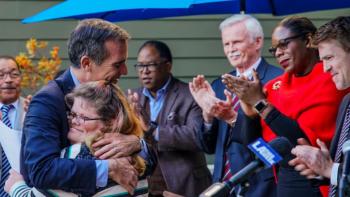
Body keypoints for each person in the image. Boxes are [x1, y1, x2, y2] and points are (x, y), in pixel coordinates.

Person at [222, 16, 349, 197]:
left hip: (318, 186)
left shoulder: (332, 79)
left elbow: (302, 142)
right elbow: (257, 148)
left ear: (307, 40)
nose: (279, 53)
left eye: (284, 44)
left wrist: (260, 104)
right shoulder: (275, 85)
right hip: (282, 183)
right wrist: (248, 109)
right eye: (274, 49)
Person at [21, 19, 142, 195]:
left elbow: (151, 158)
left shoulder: (108, 90)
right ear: (87, 63)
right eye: (117, 64)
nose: (124, 71)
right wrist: (107, 168)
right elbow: (41, 170)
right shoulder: (47, 101)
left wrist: (138, 143)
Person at [189, 14, 283, 197]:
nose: (231, 49)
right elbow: (208, 147)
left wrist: (233, 118)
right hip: (222, 186)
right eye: (226, 44)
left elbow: (276, 146)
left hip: (261, 186)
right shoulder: (218, 85)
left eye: (236, 42)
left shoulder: (276, 80)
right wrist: (207, 117)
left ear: (257, 42)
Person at [6, 80, 151, 196]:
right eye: (73, 114)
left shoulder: (77, 155)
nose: (73, 121)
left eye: (83, 117)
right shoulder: (138, 155)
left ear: (110, 122)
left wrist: (16, 186)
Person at [128, 40, 211, 196]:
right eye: (140, 66)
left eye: (150, 65)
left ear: (168, 66)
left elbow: (196, 135)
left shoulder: (189, 94)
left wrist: (154, 130)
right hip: (146, 186)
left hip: (185, 184)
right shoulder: (134, 98)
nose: (144, 71)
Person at [289, 16, 350, 197]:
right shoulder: (346, 102)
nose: (325, 68)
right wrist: (321, 170)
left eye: (329, 57)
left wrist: (329, 169)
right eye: (322, 60)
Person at [0, 56, 26, 197]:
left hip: (24, 189)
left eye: (14, 74)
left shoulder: (34, 110)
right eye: (1, 75)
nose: (8, 80)